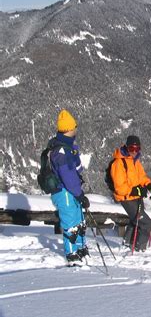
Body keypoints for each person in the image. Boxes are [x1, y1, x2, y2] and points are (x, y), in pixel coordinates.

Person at [48, 109, 90, 265]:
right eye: (75, 126)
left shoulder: (66, 147)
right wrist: (79, 194)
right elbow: (68, 177)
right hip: (64, 191)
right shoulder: (61, 151)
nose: (76, 129)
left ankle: (80, 248)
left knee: (78, 220)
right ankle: (72, 255)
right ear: (70, 129)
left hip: (69, 190)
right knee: (70, 223)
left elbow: (76, 171)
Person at [110, 135, 151, 251]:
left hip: (136, 196)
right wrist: (136, 190)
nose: (134, 152)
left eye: (137, 149)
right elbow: (119, 188)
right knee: (145, 222)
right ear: (126, 147)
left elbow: (141, 177)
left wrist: (150, 186)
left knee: (134, 220)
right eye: (132, 149)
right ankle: (139, 248)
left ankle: (128, 243)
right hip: (126, 198)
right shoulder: (118, 163)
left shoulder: (135, 161)